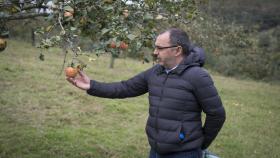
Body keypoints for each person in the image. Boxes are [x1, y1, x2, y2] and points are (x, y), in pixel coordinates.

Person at [66, 28, 226, 158]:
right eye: (155, 47)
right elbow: (125, 88)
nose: (155, 52)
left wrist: (200, 144)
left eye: (159, 48)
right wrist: (91, 85)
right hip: (155, 150)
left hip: (184, 153)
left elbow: (217, 114)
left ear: (177, 50)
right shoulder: (156, 72)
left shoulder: (197, 76)